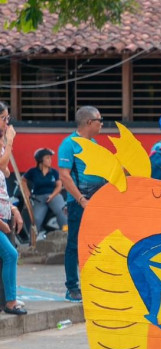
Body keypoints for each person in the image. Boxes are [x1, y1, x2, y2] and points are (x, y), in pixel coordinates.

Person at [58, 106, 106, 303]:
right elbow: (64, 175)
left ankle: (94, 283)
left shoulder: (94, 144)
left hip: (97, 204)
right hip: (80, 204)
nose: (102, 123)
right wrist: (81, 200)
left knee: (96, 245)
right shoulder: (69, 144)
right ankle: (72, 287)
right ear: (89, 122)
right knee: (74, 245)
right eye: (99, 120)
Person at [0, 103, 25, 315]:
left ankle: (8, 301)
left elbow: (6, 172)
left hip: (4, 210)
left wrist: (13, 208)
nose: (7, 123)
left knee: (7, 256)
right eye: (4, 119)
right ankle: (10, 302)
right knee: (11, 255)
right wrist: (8, 143)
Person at [24, 148, 67, 234]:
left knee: (63, 213)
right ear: (40, 160)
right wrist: (27, 192)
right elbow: (23, 180)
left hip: (54, 196)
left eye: (50, 158)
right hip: (39, 198)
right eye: (47, 158)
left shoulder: (54, 172)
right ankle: (32, 243)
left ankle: (67, 234)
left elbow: (59, 186)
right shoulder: (33, 172)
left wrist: (52, 195)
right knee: (36, 219)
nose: (50, 160)